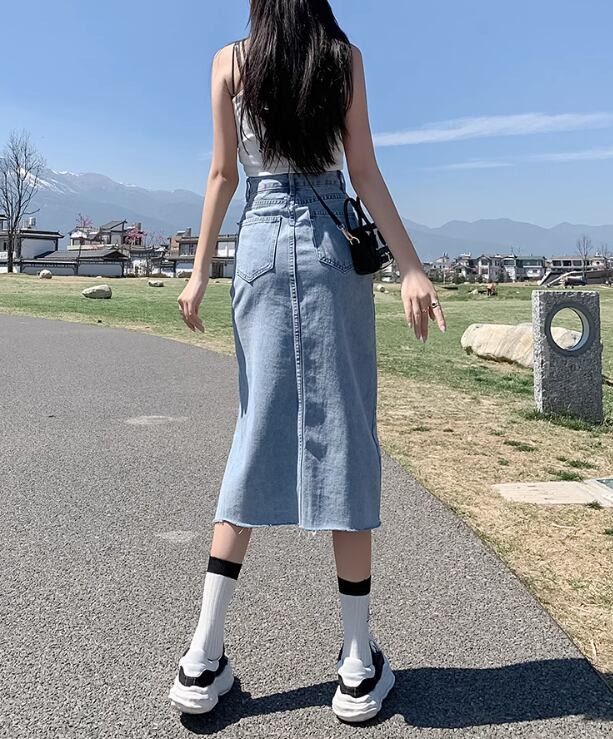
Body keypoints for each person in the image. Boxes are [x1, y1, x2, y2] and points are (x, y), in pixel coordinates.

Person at [169, 0, 446, 723]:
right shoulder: (343, 59)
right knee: (346, 433)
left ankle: (201, 655)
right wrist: (411, 267)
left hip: (259, 244)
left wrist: (198, 273)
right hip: (329, 248)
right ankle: (355, 664)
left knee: (254, 430)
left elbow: (222, 175)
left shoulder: (230, 61)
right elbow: (364, 171)